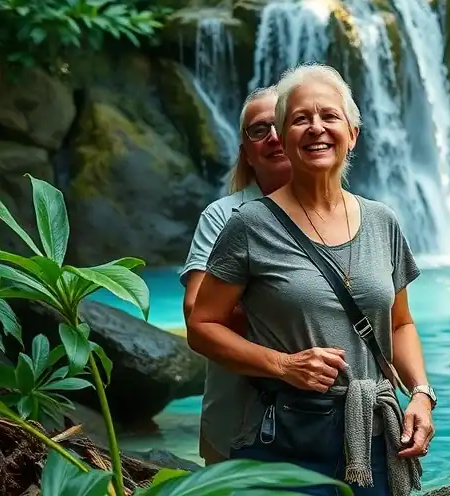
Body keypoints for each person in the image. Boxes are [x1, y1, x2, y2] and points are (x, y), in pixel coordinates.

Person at [186, 63, 435, 496]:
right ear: (283, 134)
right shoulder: (249, 225)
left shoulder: (383, 221)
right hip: (285, 435)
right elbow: (202, 326)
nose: (316, 128)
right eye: (301, 119)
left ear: (352, 133)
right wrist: (284, 365)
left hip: (374, 436)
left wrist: (421, 395)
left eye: (329, 116)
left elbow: (400, 324)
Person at [179, 85, 290, 465]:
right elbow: (196, 309)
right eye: (259, 130)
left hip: (326, 420)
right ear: (245, 150)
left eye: (280, 124)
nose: (272, 136)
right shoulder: (222, 216)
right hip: (238, 416)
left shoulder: (347, 217)